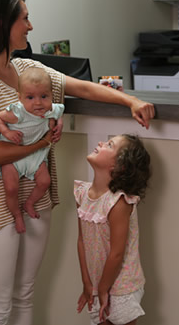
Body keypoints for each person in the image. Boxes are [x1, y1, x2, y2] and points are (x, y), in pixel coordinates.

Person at [0, 0, 155, 325]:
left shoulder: (26, 68)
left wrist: (129, 101)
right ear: (2, 23)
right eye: (25, 18)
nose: (30, 26)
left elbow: (81, 86)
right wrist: (42, 142)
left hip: (35, 197)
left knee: (25, 294)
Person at [75, 134, 151, 325]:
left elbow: (117, 253)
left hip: (121, 285)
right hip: (97, 283)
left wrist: (103, 289)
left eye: (109, 145)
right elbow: (82, 240)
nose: (100, 143)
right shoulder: (82, 194)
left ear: (119, 167)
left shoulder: (118, 203)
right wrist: (87, 282)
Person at [0, 67, 65, 234]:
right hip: (12, 154)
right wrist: (7, 132)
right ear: (20, 98)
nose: (38, 103)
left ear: (50, 95)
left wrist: (59, 124)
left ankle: (29, 203)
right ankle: (17, 214)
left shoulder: (50, 109)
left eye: (44, 96)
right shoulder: (17, 113)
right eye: (30, 97)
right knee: (11, 188)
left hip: (35, 155)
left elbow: (59, 112)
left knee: (45, 182)